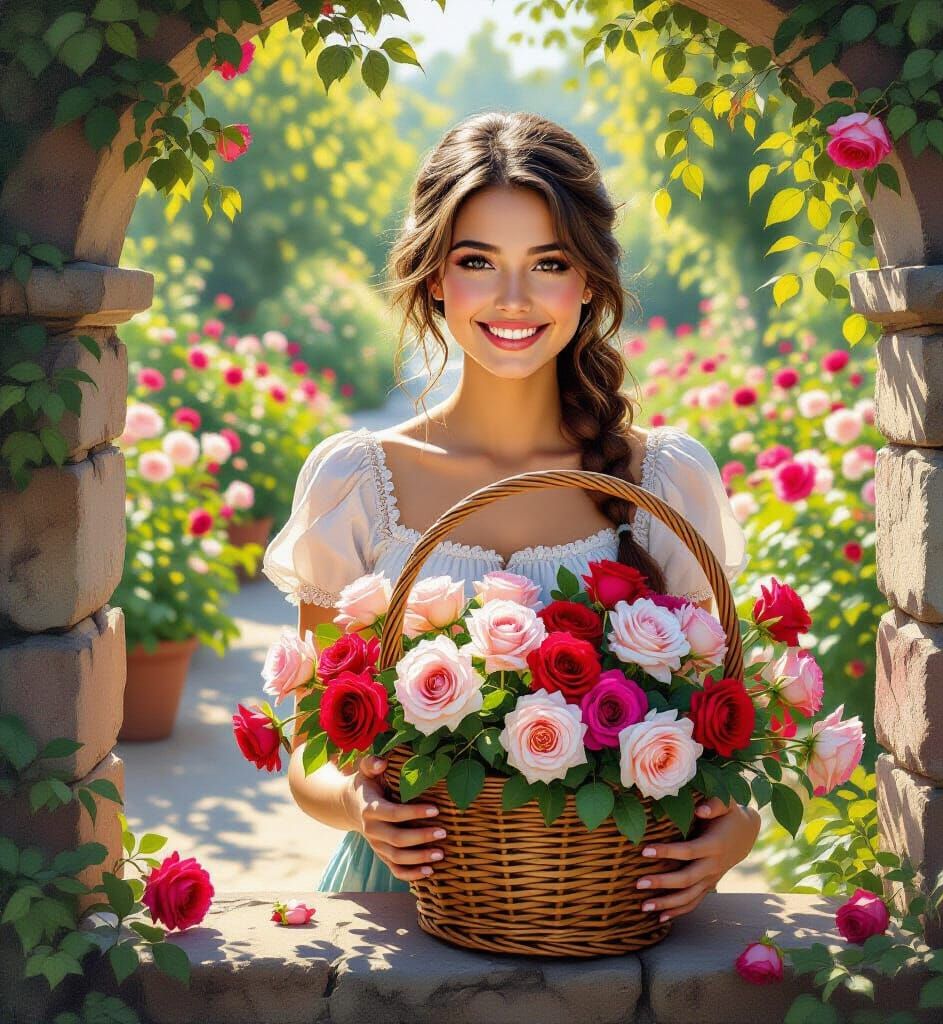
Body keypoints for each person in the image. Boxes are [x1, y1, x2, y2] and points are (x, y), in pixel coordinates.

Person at [263, 111, 759, 925]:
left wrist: (736, 828)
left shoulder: (662, 478)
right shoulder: (356, 479)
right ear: (434, 278)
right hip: (405, 900)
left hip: (610, 900)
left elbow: (724, 726)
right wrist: (361, 807)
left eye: (549, 263)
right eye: (477, 262)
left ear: (589, 280)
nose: (514, 299)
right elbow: (313, 756)